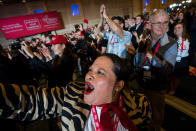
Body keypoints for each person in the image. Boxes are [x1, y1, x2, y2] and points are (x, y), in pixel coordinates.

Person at [0, 53, 152, 131]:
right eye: (90, 69)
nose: (89, 75)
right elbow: (31, 100)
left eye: (100, 72)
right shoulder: (72, 95)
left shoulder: (140, 104)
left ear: (119, 85)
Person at [133, 9, 177, 131]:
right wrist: (135, 55)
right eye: (158, 22)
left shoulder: (172, 43)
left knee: (156, 114)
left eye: (165, 22)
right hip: (141, 82)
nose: (161, 26)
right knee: (141, 109)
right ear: (150, 24)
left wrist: (152, 57)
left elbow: (168, 69)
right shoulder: (145, 39)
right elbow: (138, 61)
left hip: (157, 87)